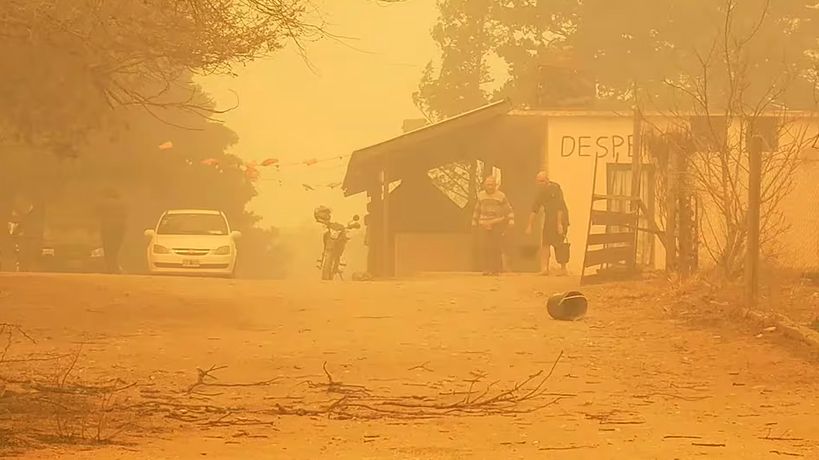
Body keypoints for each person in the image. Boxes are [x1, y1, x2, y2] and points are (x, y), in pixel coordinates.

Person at [526, 171, 569, 275]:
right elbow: (534, 209)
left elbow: (560, 207)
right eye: (539, 181)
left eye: (542, 181)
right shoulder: (540, 193)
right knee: (545, 243)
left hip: (561, 217)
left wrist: (559, 224)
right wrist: (529, 225)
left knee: (559, 243)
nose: (541, 183)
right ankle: (545, 269)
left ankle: (563, 269)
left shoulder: (555, 188)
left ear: (547, 180)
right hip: (549, 218)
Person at [472, 176, 515, 276]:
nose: (490, 186)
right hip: (483, 223)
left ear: (495, 185)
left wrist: (511, 220)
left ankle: (495, 269)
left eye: (492, 184)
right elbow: (477, 209)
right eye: (488, 184)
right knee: (485, 247)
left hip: (496, 223)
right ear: (484, 185)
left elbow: (508, 209)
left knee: (495, 246)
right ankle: (486, 269)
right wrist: (474, 222)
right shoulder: (480, 196)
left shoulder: (501, 196)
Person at [96, 188, 128, 274]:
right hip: (119, 229)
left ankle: (109, 268)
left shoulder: (103, 203)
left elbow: (95, 212)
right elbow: (125, 216)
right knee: (115, 249)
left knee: (108, 249)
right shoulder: (122, 203)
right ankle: (114, 267)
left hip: (106, 229)